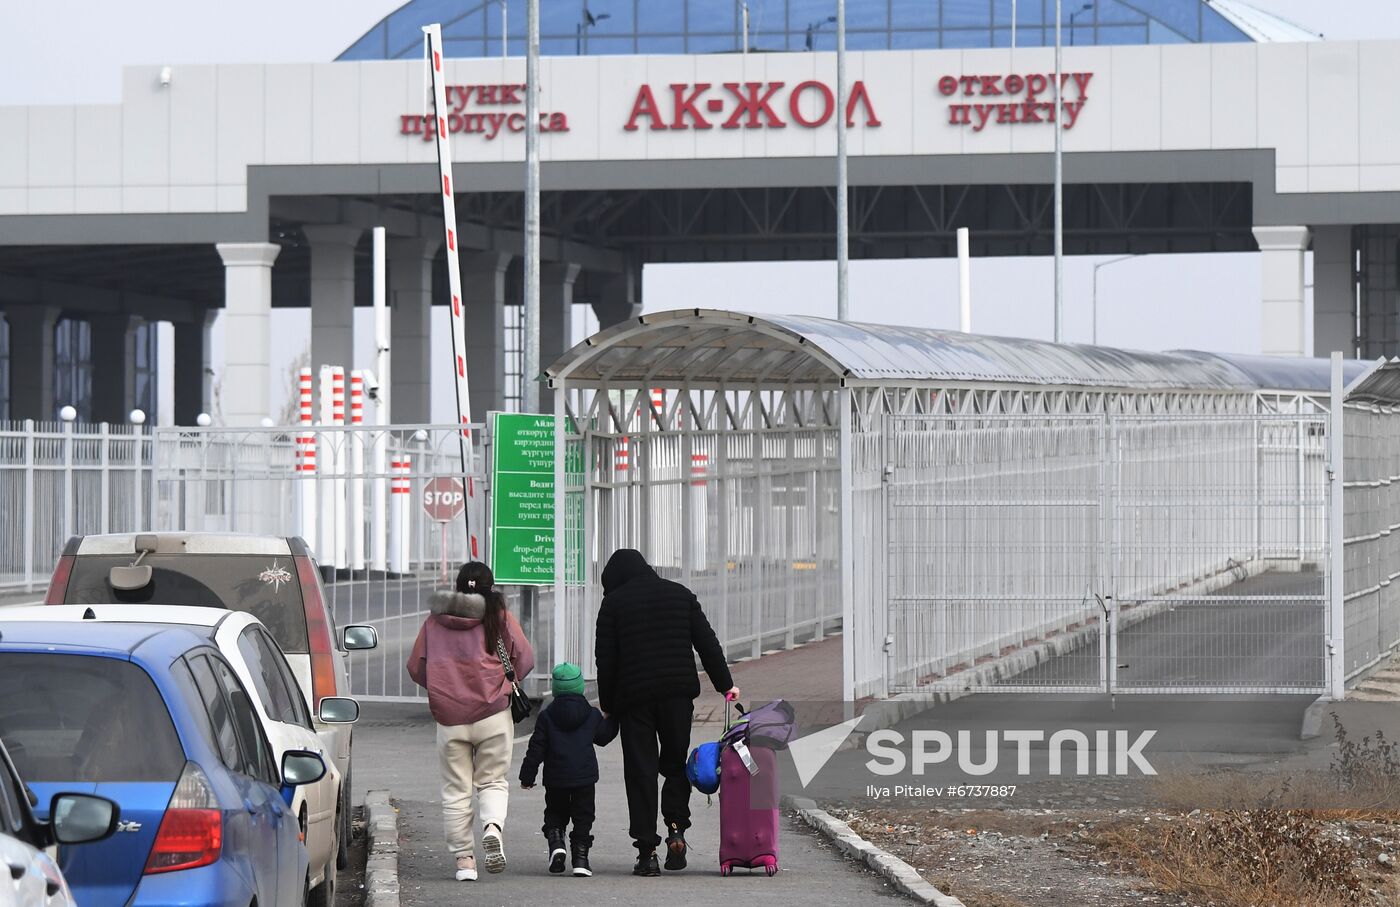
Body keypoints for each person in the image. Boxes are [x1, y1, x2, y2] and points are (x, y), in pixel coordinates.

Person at [594, 548, 739, 877]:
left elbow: (606, 659)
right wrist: (725, 685)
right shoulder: (680, 595)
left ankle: (647, 852)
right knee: (674, 764)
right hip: (676, 696)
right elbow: (706, 643)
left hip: (634, 701)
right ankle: (676, 829)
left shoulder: (614, 604)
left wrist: (608, 705)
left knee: (641, 771)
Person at [407, 561, 534, 882]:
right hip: (493, 714)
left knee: (455, 790)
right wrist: (502, 684)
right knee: (492, 780)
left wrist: (442, 687)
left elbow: (416, 667)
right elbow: (526, 658)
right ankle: (492, 827)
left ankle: (465, 861)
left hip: (449, 719)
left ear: (459, 587)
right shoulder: (499, 617)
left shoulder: (434, 622)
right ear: (490, 587)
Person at [518, 662, 619, 877]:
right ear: (580, 687)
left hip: (556, 778)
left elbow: (536, 748)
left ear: (556, 690)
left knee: (555, 813)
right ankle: (581, 858)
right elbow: (603, 737)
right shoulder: (591, 715)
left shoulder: (546, 716)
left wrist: (527, 776)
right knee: (584, 817)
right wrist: (613, 719)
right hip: (584, 778)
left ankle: (556, 845)